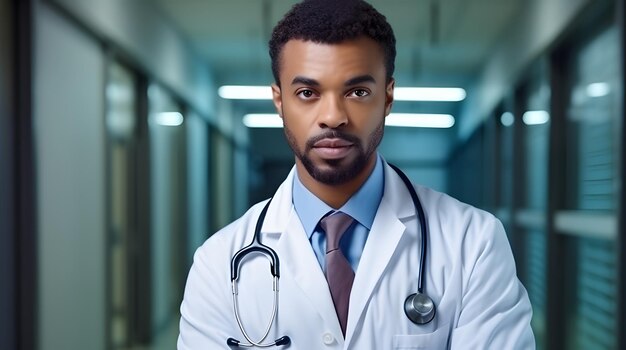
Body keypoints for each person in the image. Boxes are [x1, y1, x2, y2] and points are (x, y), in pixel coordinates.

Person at [177, 0, 535, 349]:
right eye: (307, 92)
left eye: (357, 91)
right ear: (279, 101)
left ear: (388, 98)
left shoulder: (473, 244)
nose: (333, 116)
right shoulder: (219, 264)